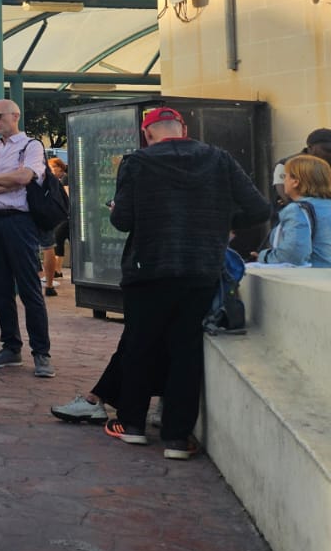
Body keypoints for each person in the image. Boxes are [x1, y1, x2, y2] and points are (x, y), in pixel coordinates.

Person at [106, 106, 272, 459]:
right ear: (183, 128)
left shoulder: (137, 162)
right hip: (200, 268)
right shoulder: (220, 159)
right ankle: (177, 439)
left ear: (147, 133)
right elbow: (259, 209)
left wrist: (114, 209)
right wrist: (220, 221)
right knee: (186, 350)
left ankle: (132, 425)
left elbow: (123, 221)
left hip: (148, 268)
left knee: (139, 345)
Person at [0, 99, 53, 377]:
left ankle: (41, 352)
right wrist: (6, 181)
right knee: (1, 290)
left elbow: (25, 177)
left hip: (20, 221)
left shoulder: (31, 146)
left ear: (15, 116)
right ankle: (11, 346)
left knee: (29, 288)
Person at [258, 154, 331, 266]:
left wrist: (264, 256)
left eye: (285, 176)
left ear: (295, 182)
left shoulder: (297, 210)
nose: (283, 181)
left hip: (313, 274)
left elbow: (292, 255)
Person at [41, 156, 70, 296]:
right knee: (51, 245)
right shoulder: (53, 179)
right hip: (55, 216)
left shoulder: (61, 179)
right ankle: (50, 281)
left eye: (54, 167)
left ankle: (50, 277)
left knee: (51, 245)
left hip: (54, 216)